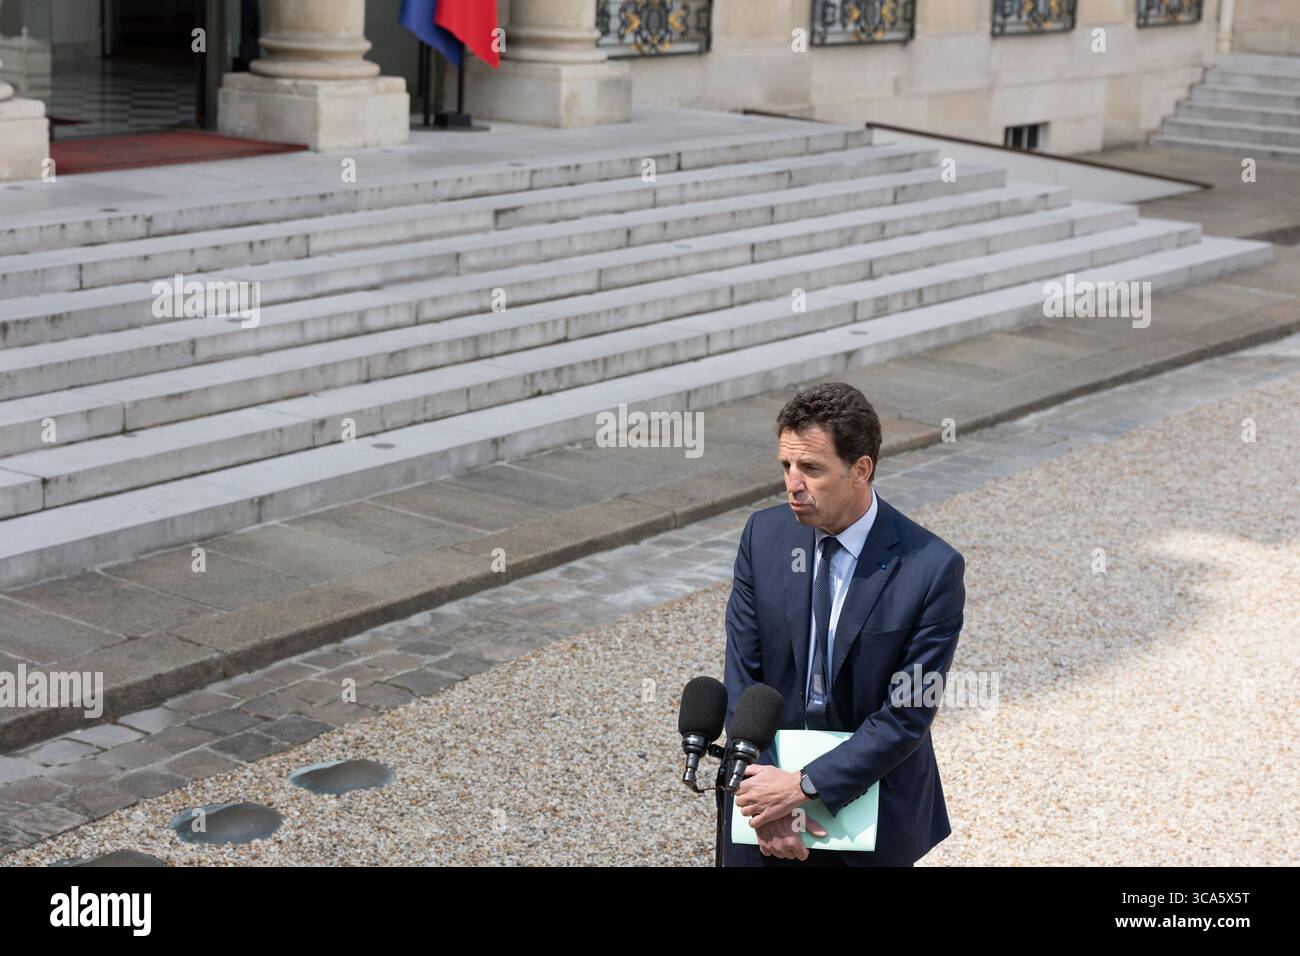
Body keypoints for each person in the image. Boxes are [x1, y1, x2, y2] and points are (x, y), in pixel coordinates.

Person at [723, 381, 965, 867]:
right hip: (763, 807)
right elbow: (744, 681)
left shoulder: (931, 569)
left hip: (869, 814)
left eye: (811, 469)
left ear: (861, 470)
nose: (792, 483)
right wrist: (768, 799)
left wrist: (805, 788)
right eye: (786, 466)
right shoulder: (763, 537)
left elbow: (906, 715)